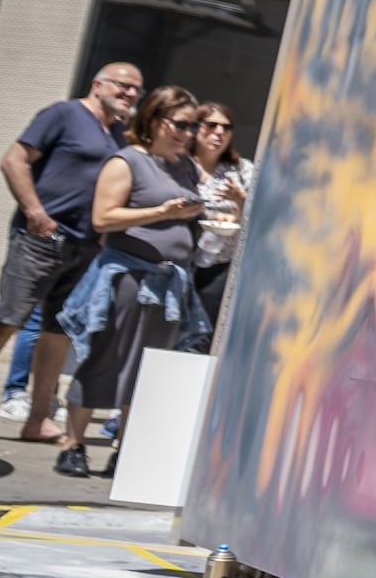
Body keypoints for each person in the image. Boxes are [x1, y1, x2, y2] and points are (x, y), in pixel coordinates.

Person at [54, 85, 209, 477]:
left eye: (192, 127)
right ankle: (74, 444)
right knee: (104, 359)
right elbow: (103, 219)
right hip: (126, 278)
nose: (188, 133)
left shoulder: (183, 165)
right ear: (155, 120)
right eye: (181, 124)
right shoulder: (126, 162)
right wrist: (160, 212)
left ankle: (126, 450)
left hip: (168, 286)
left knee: (147, 371)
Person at [1, 62, 140, 450]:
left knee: (58, 331)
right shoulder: (62, 114)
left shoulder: (116, 134)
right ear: (98, 84)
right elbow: (13, 160)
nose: (130, 94)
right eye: (124, 86)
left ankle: (38, 420)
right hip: (41, 240)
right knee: (8, 320)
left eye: (135, 91)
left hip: (84, 247)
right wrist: (35, 212)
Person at [188, 103, 253, 327]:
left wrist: (240, 201)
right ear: (195, 127)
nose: (219, 133)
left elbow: (262, 218)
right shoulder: (180, 164)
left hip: (219, 263)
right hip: (177, 258)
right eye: (211, 125)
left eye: (226, 128)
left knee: (201, 329)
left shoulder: (241, 170)